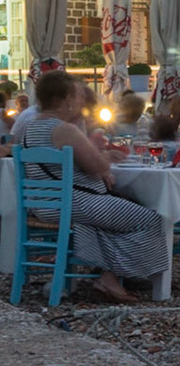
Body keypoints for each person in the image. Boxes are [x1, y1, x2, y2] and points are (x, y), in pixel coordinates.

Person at [15, 71, 169, 305]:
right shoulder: (64, 130)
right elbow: (95, 166)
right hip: (77, 202)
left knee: (111, 219)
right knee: (150, 219)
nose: (81, 100)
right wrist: (107, 156)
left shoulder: (31, 128)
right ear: (67, 99)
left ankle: (105, 274)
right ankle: (109, 276)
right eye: (77, 95)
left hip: (47, 205)